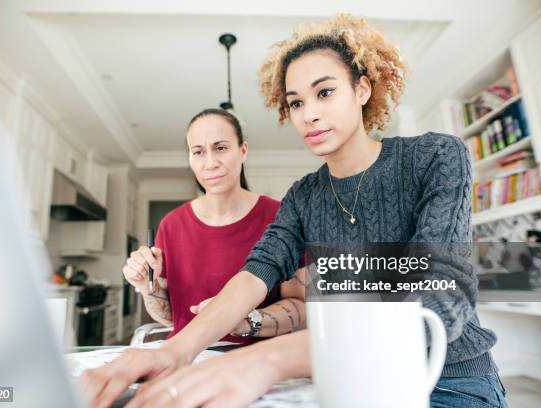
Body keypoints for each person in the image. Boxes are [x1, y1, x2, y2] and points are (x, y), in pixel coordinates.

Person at [81, 15, 508, 408]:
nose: (310, 114)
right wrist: (176, 350)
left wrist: (268, 360)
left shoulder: (434, 157)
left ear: (362, 89)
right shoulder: (304, 195)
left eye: (324, 92)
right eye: (296, 102)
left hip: (450, 381)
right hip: (353, 378)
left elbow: (439, 299)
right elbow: (256, 272)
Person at [122, 108, 307, 344]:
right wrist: (147, 286)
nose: (210, 163)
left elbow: (300, 305)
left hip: (257, 361)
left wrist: (243, 321)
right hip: (187, 359)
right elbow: (171, 318)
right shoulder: (171, 224)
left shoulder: (281, 216)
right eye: (198, 152)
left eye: (220, 148)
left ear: (243, 151)